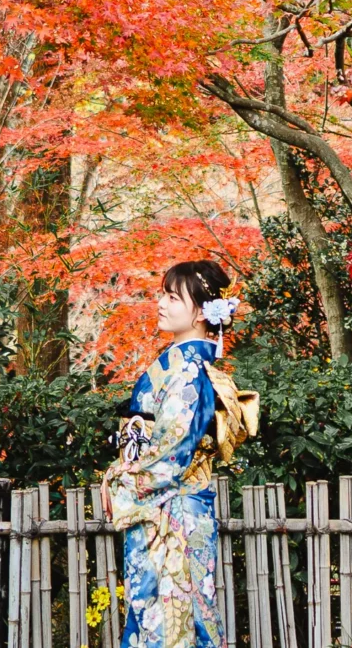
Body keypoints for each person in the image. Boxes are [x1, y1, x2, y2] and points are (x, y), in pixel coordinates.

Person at [104, 261, 239, 648]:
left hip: (172, 511)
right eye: (163, 293)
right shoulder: (178, 363)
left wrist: (121, 480)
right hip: (164, 509)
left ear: (201, 312)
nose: (161, 302)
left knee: (172, 620)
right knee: (161, 616)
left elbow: (173, 452)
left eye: (172, 296)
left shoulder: (189, 371)